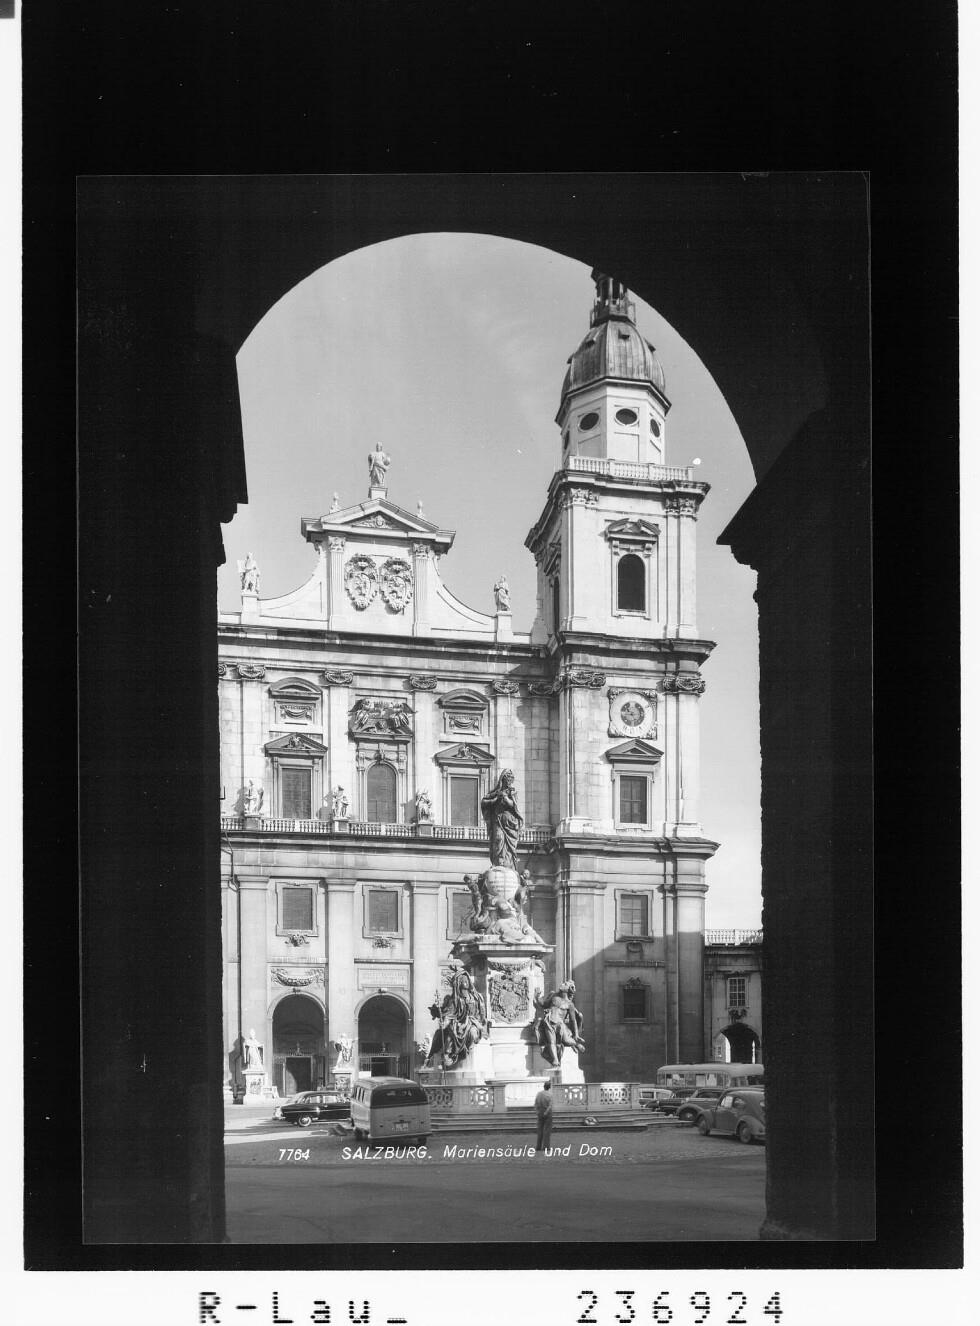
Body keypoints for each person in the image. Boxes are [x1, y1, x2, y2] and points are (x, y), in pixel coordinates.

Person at [480, 768, 524, 871]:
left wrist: (506, 798)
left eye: (510, 779)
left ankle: (507, 864)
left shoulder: (513, 792)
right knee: (498, 839)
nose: (509, 781)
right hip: (498, 821)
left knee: (509, 847)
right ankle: (497, 862)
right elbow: (484, 802)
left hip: (510, 823)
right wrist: (495, 800)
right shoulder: (496, 792)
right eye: (507, 779)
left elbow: (513, 806)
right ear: (502, 779)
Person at [534, 1078, 554, 1152]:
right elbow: (550, 1105)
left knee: (540, 1130)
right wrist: (546, 1112)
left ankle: (538, 1146)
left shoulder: (539, 1094)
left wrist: (537, 1111)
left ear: (544, 1086)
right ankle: (546, 1146)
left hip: (540, 1112)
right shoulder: (550, 1095)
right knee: (547, 1131)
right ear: (549, 1087)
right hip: (547, 1114)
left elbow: (535, 1104)